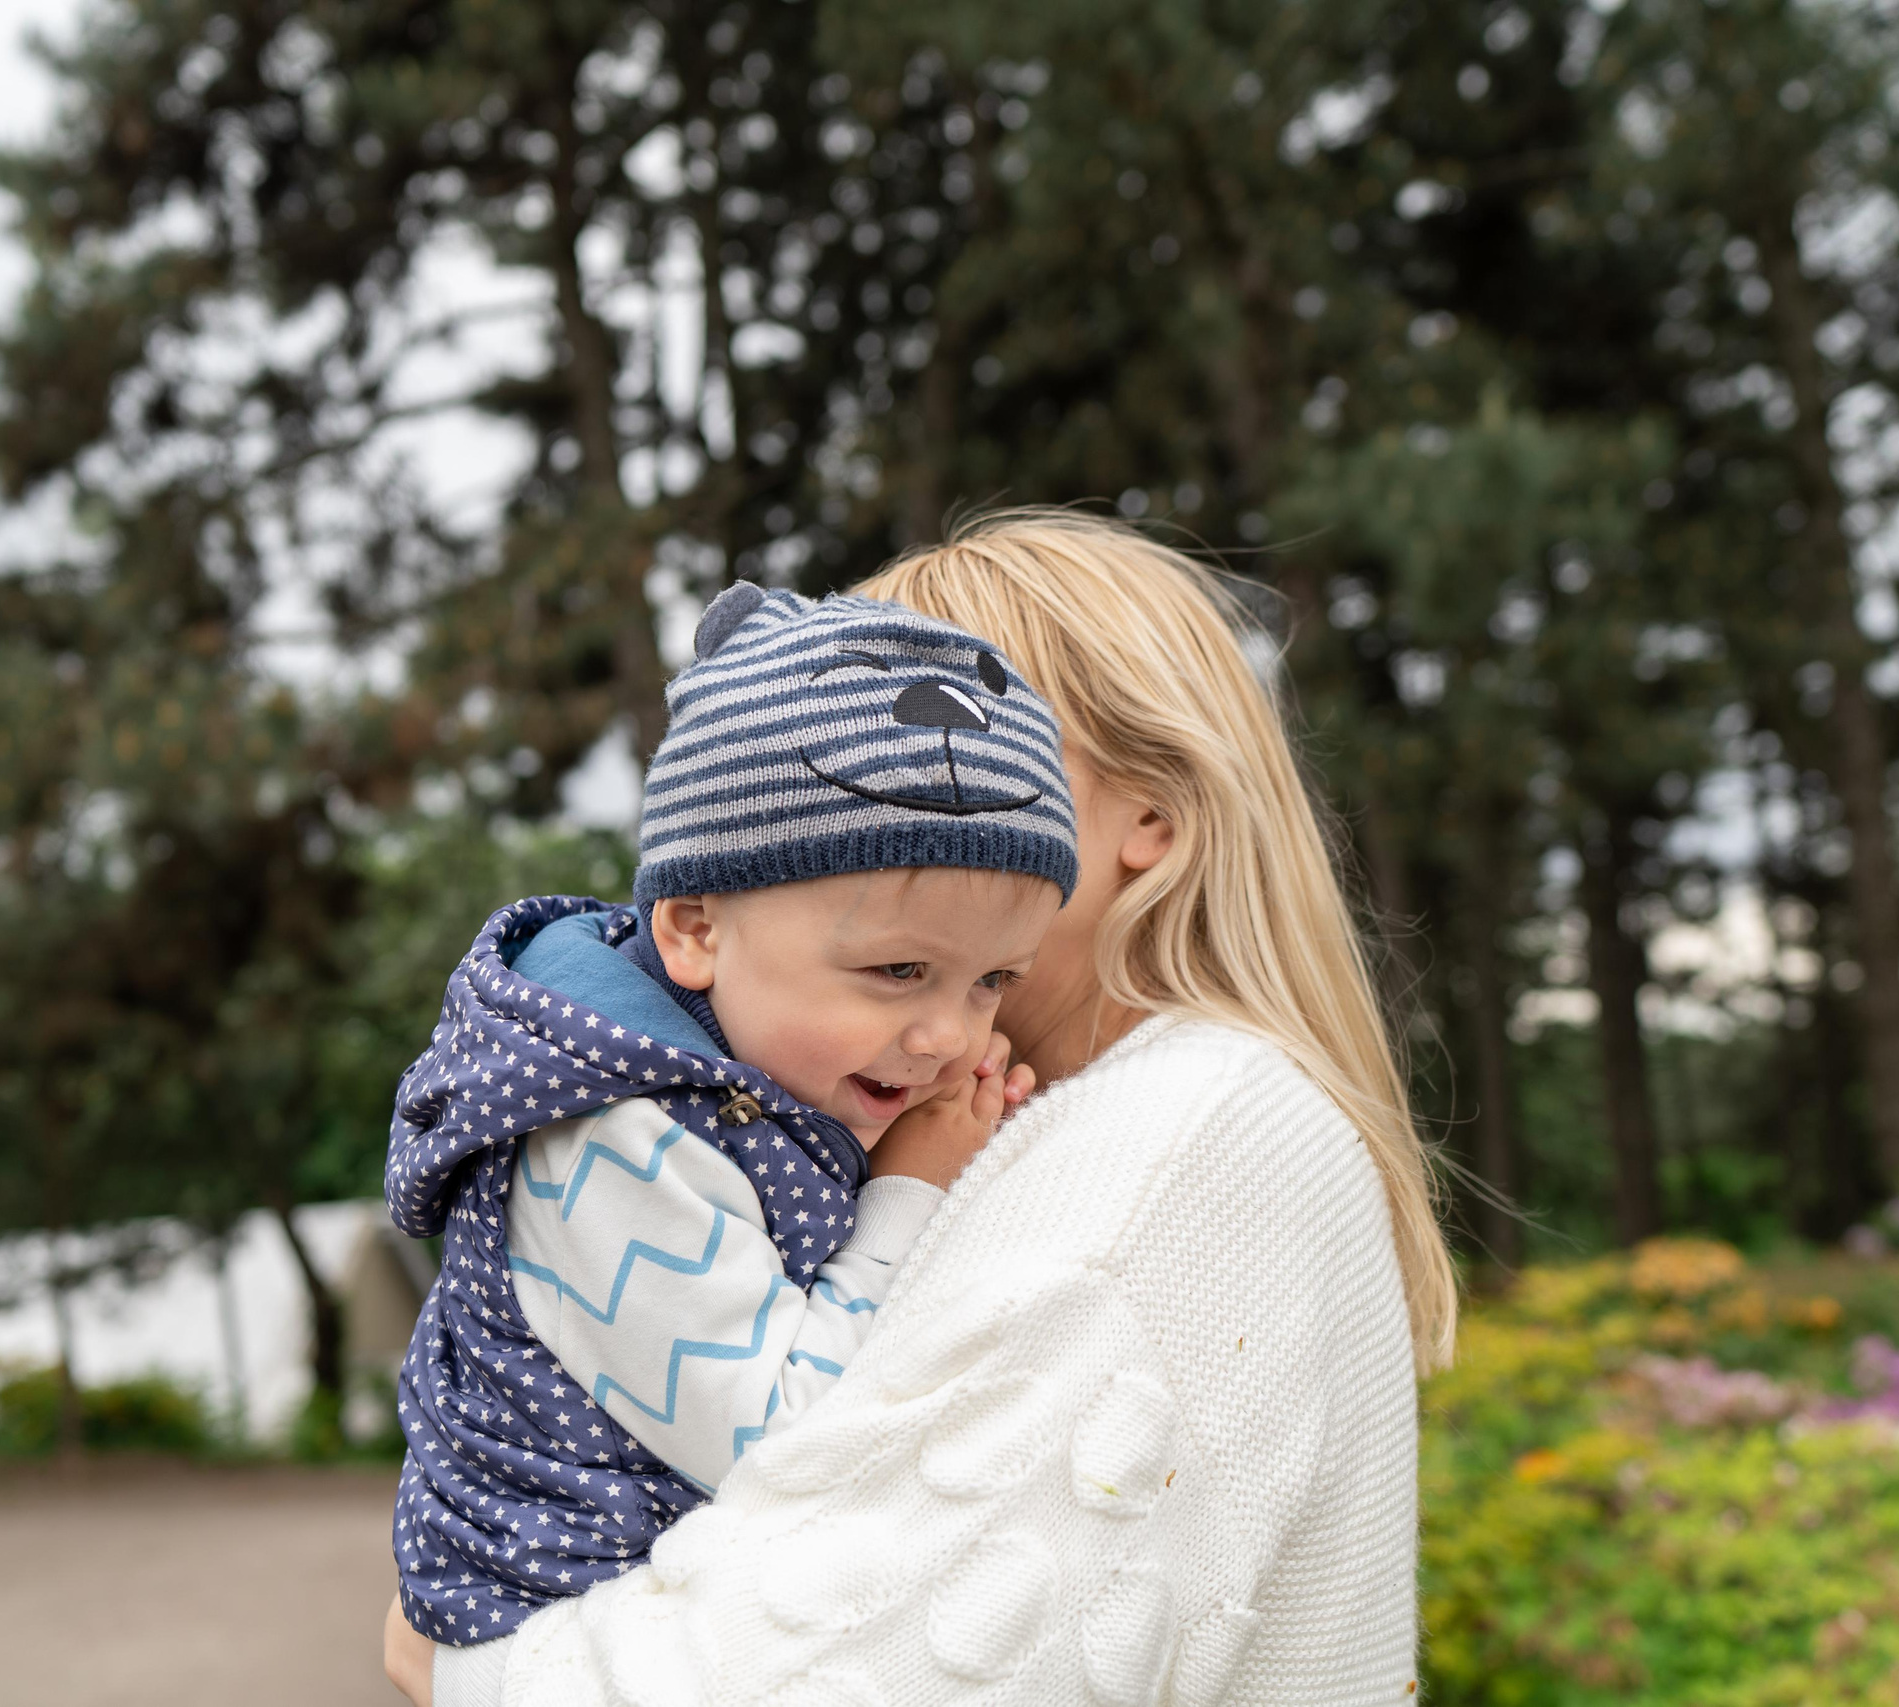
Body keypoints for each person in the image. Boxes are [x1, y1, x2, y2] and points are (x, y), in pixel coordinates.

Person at [389, 508, 1457, 1707]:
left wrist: (469, 1672)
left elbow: (856, 1667)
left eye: (984, 731)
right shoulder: (1090, 1116)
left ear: (1148, 815)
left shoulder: (1177, 1140)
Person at [383, 583, 1081, 1660]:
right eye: (899, 970)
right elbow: (780, 1444)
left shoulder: (761, 1082)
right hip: (570, 1629)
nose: (948, 1033)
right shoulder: (612, 1139)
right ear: (695, 928)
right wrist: (911, 1190)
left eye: (992, 979)